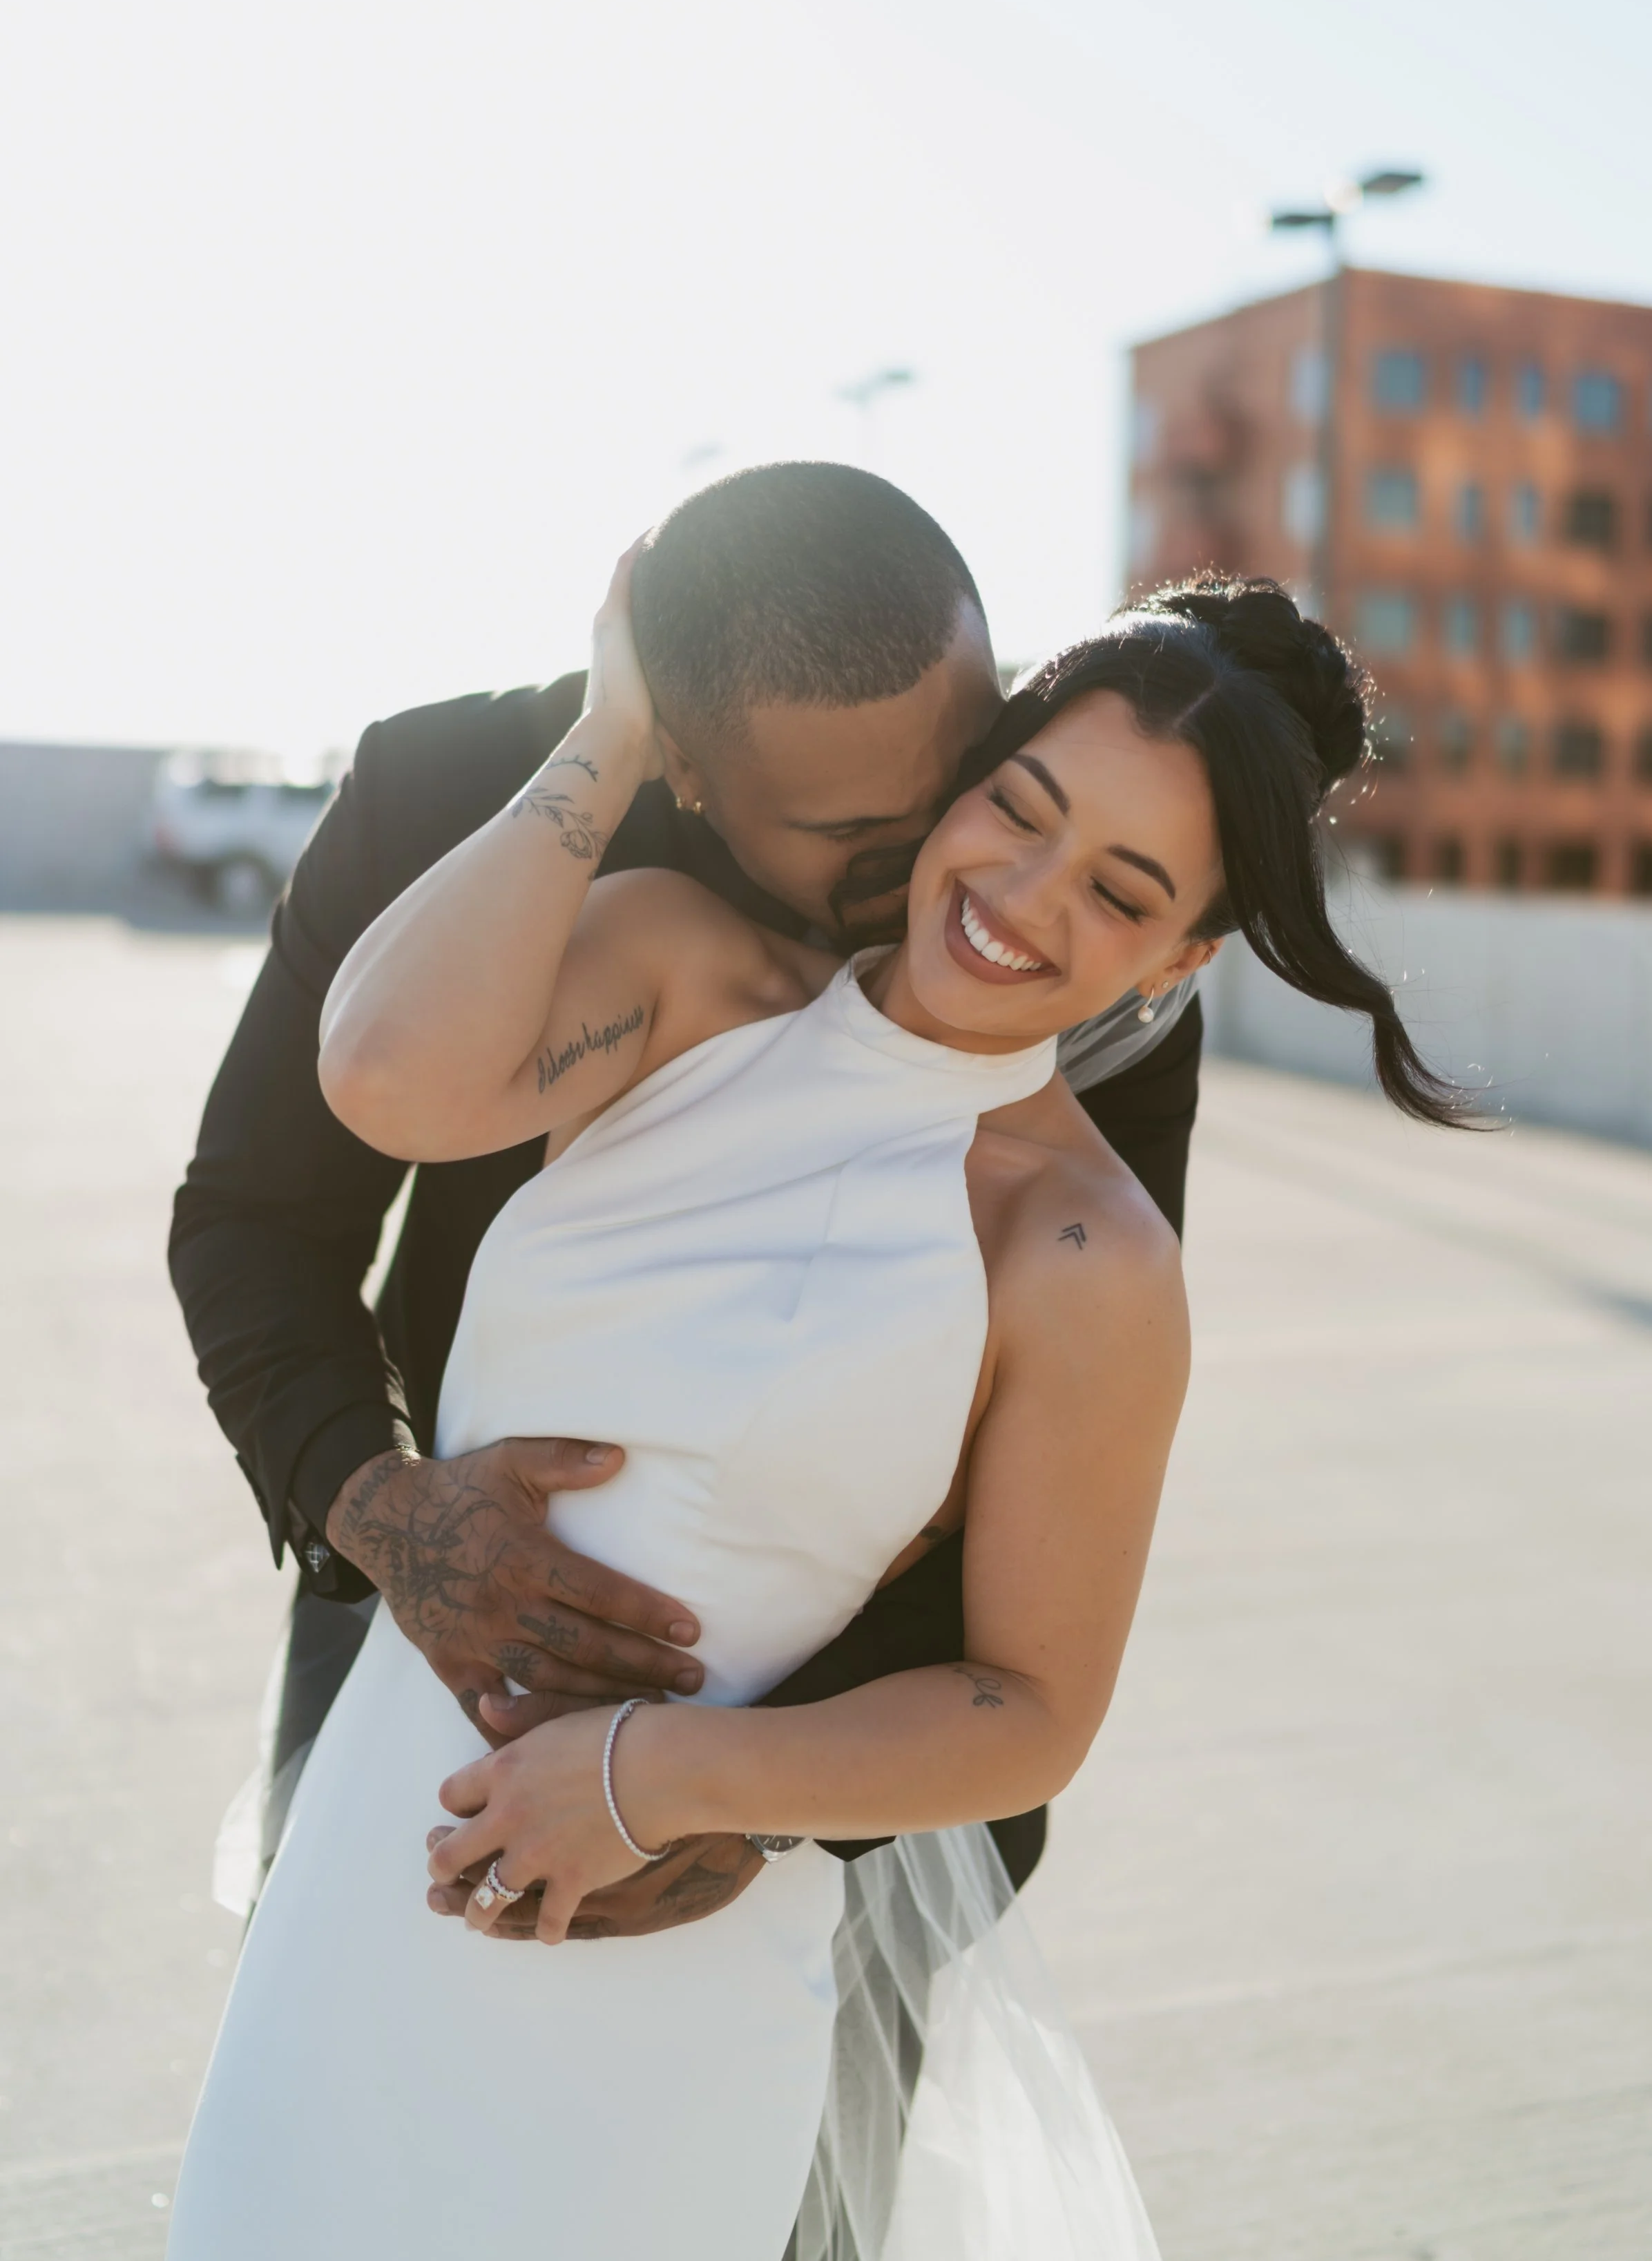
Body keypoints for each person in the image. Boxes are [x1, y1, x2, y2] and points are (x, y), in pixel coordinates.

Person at [166, 542, 1458, 2260]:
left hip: (693, 1904)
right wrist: (613, 731)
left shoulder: (1082, 1248)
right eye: (1017, 808)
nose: (1025, 895)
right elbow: (375, 1096)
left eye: (1125, 890)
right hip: (375, 1856)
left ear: (1186, 954)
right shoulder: (679, 965)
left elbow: (1031, 1699)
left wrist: (675, 1786)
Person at [169, 462, 1207, 1925]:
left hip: (853, 1770)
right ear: (693, 771)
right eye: (855, 838)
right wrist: (384, 1510)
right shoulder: (442, 791)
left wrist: (729, 1794)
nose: (945, 867)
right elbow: (257, 1214)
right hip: (418, 1624)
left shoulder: (1064, 929)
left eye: (964, 769)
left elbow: (1044, 1451)